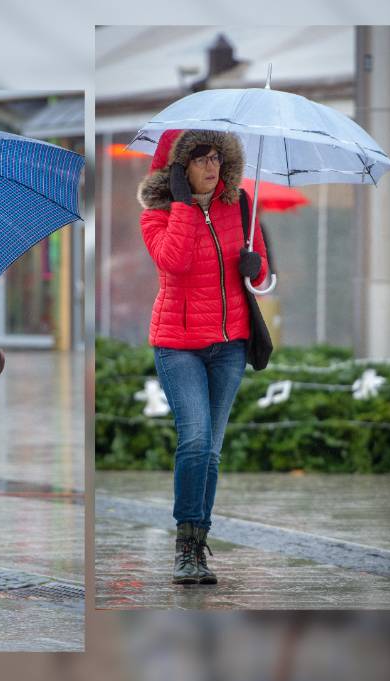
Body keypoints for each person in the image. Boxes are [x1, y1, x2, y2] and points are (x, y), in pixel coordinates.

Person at [137, 129, 271, 585]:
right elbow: (173, 261)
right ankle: (183, 548)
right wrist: (183, 204)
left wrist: (257, 269)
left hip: (229, 344)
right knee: (194, 440)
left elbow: (262, 271)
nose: (211, 167)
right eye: (199, 159)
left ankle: (199, 545)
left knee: (211, 451)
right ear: (179, 168)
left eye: (216, 157)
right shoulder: (156, 216)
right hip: (177, 344)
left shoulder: (240, 205)